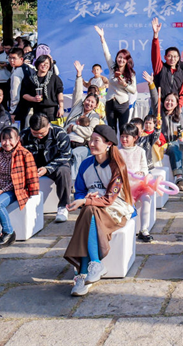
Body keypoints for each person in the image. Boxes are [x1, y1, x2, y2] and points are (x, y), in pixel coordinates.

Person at [65, 125, 135, 296]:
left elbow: (110, 199)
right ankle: (94, 265)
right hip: (93, 208)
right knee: (90, 210)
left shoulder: (117, 166)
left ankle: (83, 271)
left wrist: (87, 200)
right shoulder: (85, 164)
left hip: (115, 210)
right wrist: (85, 198)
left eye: (96, 141)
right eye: (91, 140)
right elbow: (79, 191)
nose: (91, 144)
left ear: (108, 144)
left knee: (90, 210)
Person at [0, 126, 39, 248]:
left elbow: (21, 181)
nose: (7, 143)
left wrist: (2, 191)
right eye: (3, 139)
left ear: (17, 139)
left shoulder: (24, 154)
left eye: (10, 139)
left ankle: (8, 232)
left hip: (15, 190)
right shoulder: (0, 154)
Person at [22, 113, 74, 222]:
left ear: (49, 126)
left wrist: (48, 168)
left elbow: (66, 155)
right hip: (33, 166)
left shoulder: (60, 134)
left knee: (64, 170)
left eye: (42, 133)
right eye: (35, 133)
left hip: (56, 164)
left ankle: (63, 206)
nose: (39, 136)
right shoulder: (23, 135)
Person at [94, 26, 137, 130]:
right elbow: (106, 53)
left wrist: (125, 84)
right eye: (119, 57)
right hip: (110, 102)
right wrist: (102, 38)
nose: (121, 60)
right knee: (111, 129)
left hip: (122, 104)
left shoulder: (131, 74)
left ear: (127, 60)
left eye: (124, 58)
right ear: (117, 58)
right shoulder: (112, 68)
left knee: (123, 129)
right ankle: (112, 142)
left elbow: (133, 90)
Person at [149, 80, 183, 192]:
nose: (169, 103)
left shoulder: (178, 115)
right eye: (167, 100)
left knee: (174, 149)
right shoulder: (159, 112)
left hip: (171, 142)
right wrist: (151, 84)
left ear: (176, 104)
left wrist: (181, 134)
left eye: (172, 101)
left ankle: (178, 178)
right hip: (159, 141)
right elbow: (155, 98)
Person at [151, 17, 183, 109]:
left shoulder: (181, 72)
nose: (172, 59)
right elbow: (155, 55)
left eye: (175, 57)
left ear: (179, 58)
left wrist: (178, 106)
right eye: (170, 56)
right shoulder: (160, 68)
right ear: (165, 57)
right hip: (159, 106)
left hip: (174, 107)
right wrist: (156, 36)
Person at [21, 55, 64, 123]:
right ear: (38, 64)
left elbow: (60, 93)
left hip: (52, 111)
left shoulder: (54, 78)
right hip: (37, 110)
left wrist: (61, 107)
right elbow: (24, 94)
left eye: (47, 63)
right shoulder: (30, 79)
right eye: (42, 62)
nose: (45, 65)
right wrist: (33, 99)